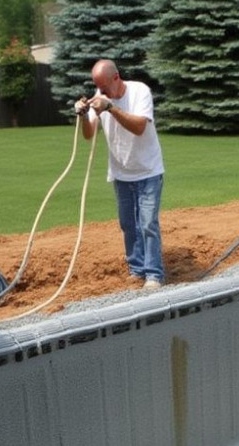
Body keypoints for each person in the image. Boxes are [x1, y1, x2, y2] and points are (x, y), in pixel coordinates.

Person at [74, 59, 166, 288]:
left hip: (148, 170)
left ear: (116, 77)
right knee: (127, 224)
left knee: (147, 224)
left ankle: (154, 274)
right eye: (98, 87)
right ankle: (137, 268)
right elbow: (88, 134)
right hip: (121, 172)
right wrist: (84, 115)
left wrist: (110, 108)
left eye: (104, 86)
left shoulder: (139, 91)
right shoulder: (102, 96)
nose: (101, 91)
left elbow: (139, 127)